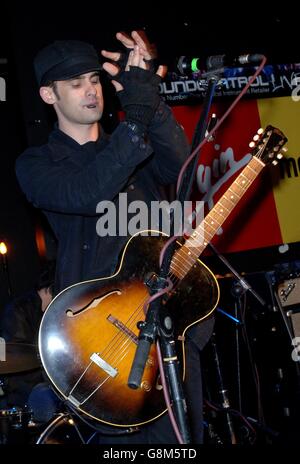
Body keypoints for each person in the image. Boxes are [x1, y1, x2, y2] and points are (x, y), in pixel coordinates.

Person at [15, 31, 214, 443]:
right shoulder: (37, 163)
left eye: (94, 79)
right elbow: (88, 191)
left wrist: (151, 101)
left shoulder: (130, 144)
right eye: (75, 84)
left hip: (165, 327)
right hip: (99, 339)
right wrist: (135, 120)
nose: (91, 91)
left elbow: (182, 170)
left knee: (184, 440)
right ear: (49, 96)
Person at [0, 261, 60, 420]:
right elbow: (11, 355)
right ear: (52, 288)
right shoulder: (18, 309)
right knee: (49, 398)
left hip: (44, 381)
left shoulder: (50, 312)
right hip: (24, 387)